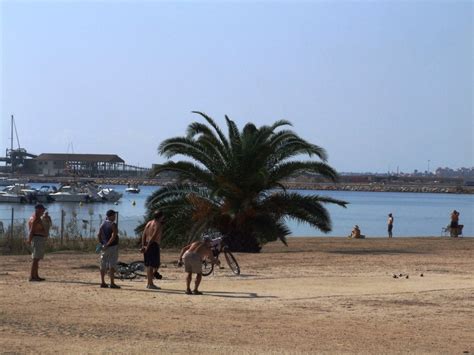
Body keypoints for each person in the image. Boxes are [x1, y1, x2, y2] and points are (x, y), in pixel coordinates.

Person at [27, 203, 52, 281]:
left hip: (37, 238)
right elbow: (32, 230)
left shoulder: (33, 217)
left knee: (37, 258)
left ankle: (36, 275)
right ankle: (32, 276)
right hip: (37, 238)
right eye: (42, 209)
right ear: (38, 210)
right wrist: (29, 239)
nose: (43, 211)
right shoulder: (36, 218)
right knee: (35, 258)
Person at [141, 210, 164, 289]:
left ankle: (149, 283)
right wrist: (148, 246)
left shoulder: (149, 223)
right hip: (153, 244)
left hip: (147, 243)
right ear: (161, 217)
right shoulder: (158, 224)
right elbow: (154, 236)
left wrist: (143, 245)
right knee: (151, 265)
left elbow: (144, 234)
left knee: (149, 265)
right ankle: (150, 284)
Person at [97, 210, 120, 289]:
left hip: (103, 247)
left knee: (103, 264)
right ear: (111, 216)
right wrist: (108, 244)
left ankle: (103, 282)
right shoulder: (113, 224)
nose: (115, 217)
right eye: (114, 216)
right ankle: (112, 283)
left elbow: (98, 234)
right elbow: (113, 236)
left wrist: (101, 243)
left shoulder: (102, 223)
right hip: (112, 247)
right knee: (112, 264)